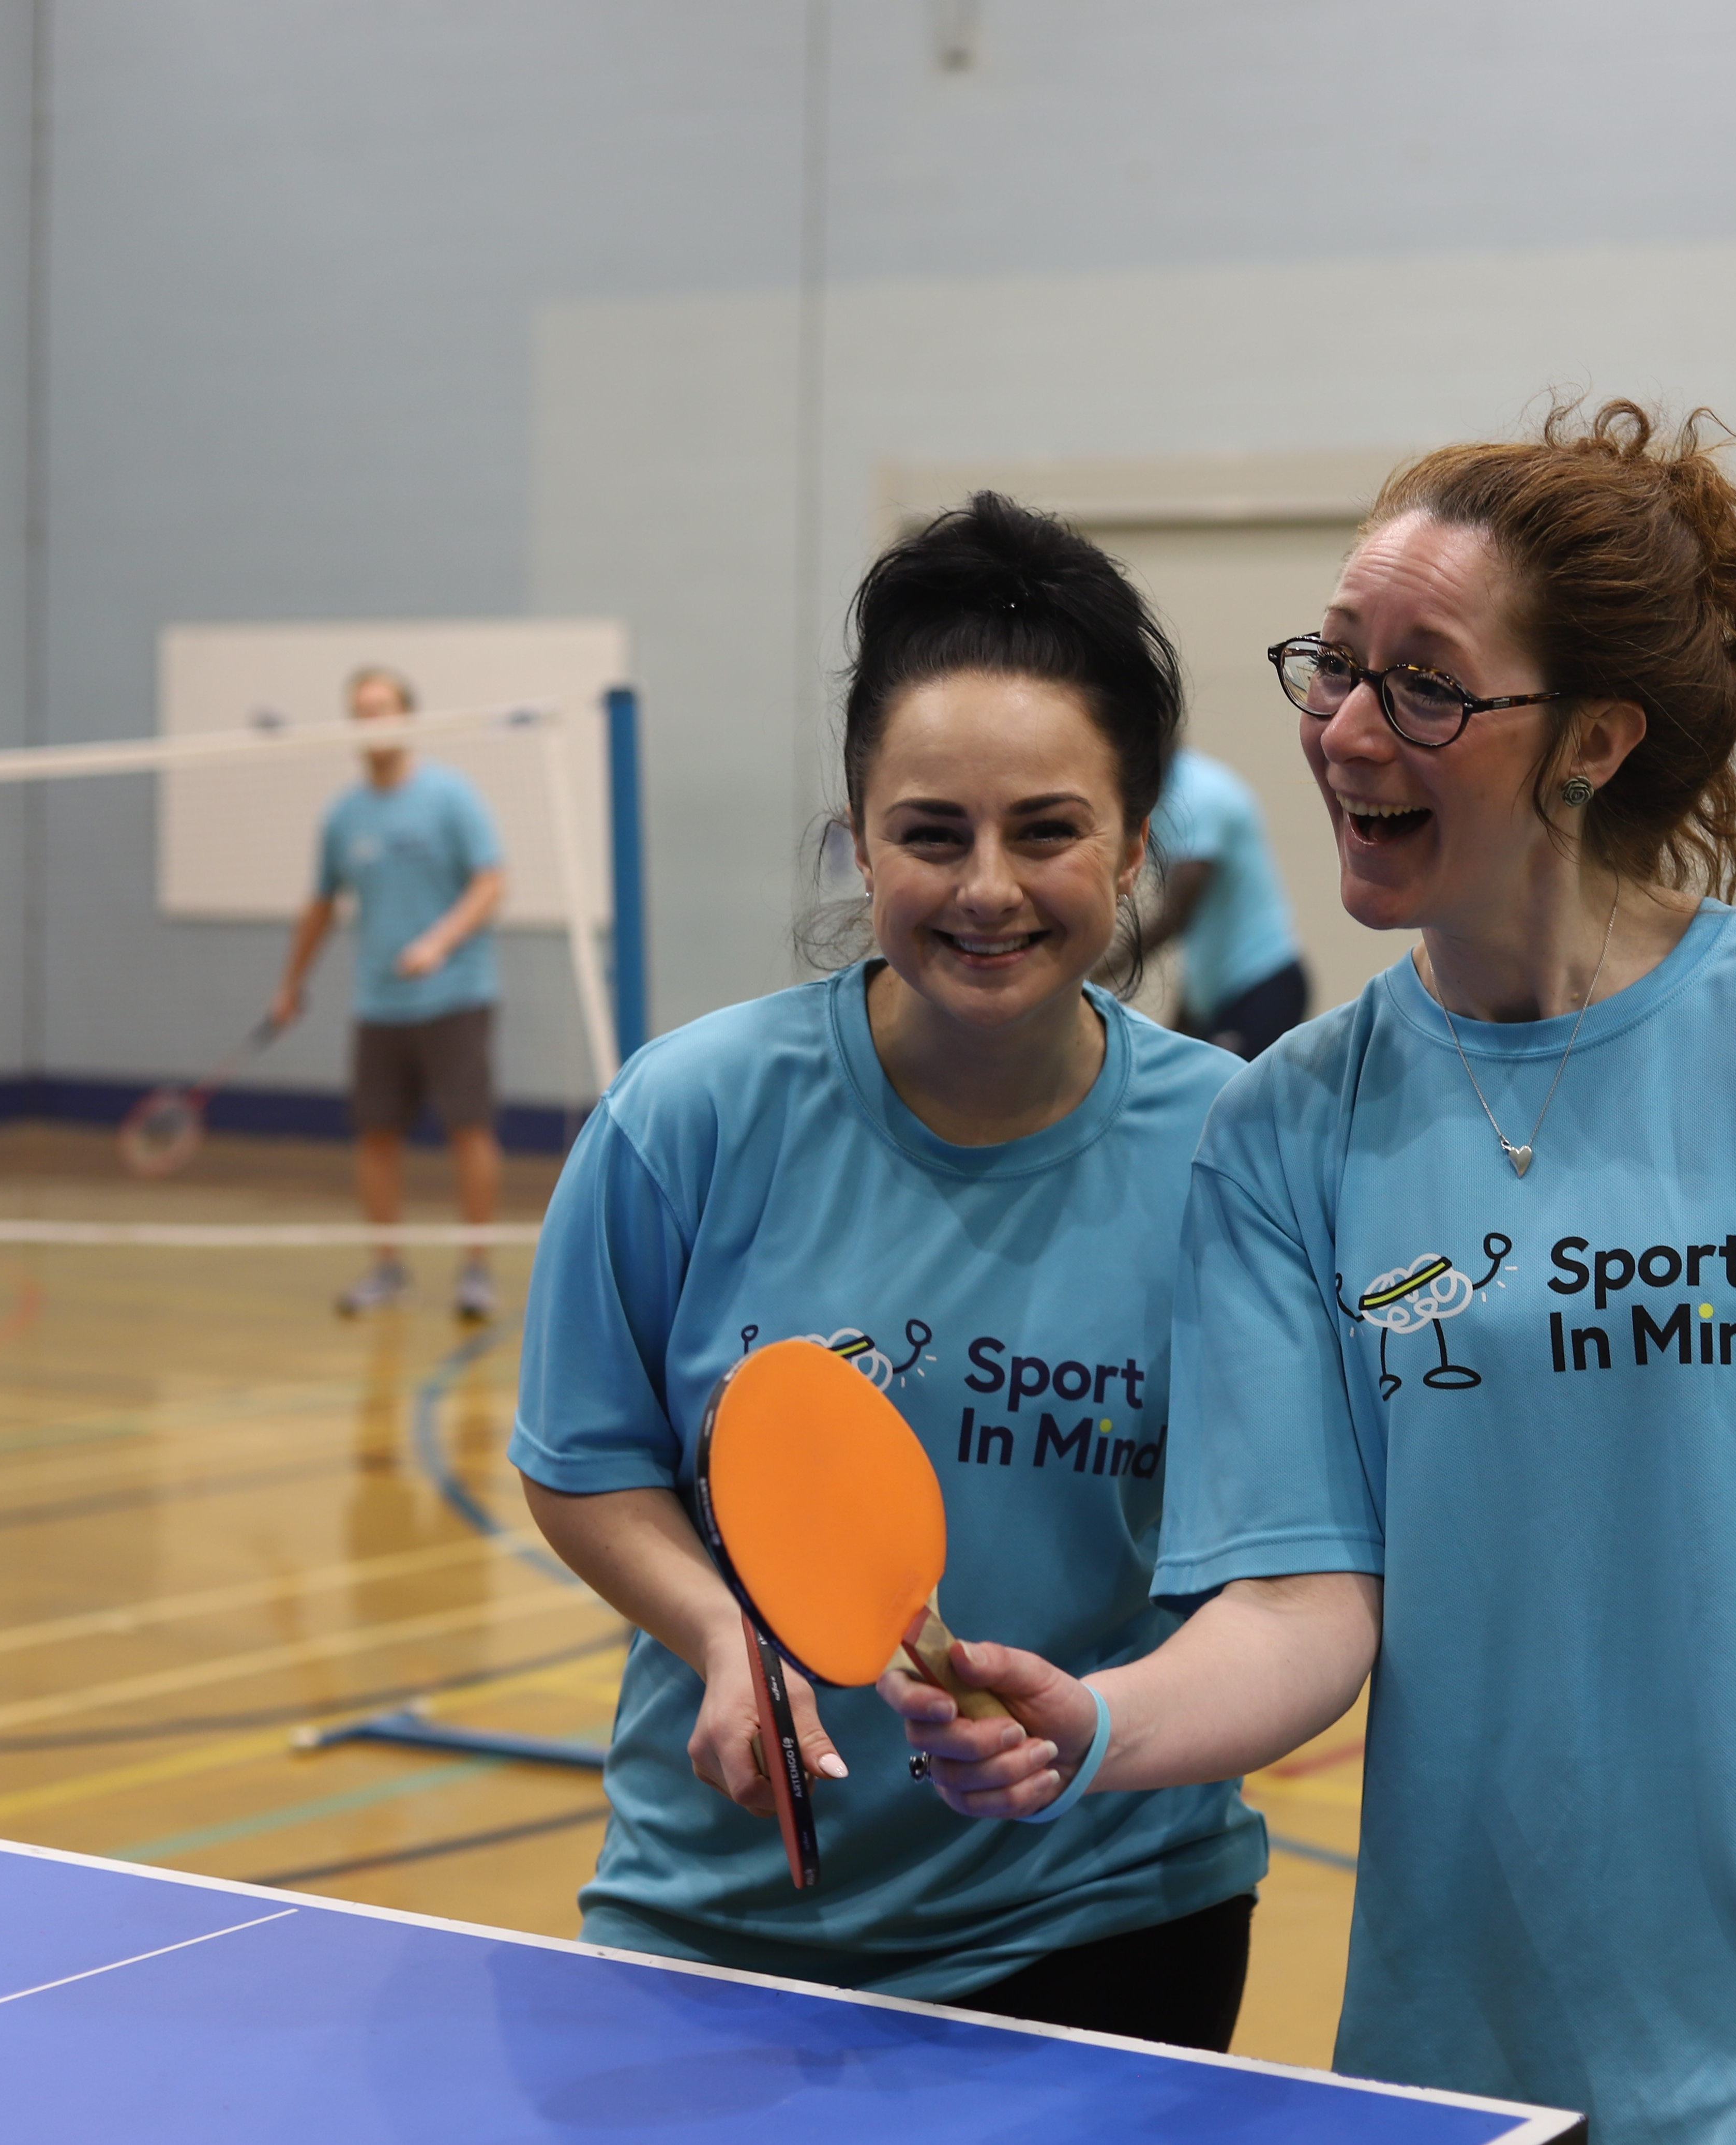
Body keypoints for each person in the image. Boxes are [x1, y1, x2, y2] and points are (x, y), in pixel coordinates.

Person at [884, 405, 1736, 2143]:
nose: (1340, 727)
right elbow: (1299, 1604)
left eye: (1421, 682)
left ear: (1590, 741)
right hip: (1467, 2052)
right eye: (1332, 664)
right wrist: (1092, 1720)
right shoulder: (1287, 1130)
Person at [505, 493, 1266, 2047]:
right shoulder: (689, 1116)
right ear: (861, 841)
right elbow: (584, 1464)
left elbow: (1282, 1569)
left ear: (1133, 844)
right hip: (720, 1912)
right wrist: (720, 1629)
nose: (987, 884)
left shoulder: (1235, 1151)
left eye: (1047, 827)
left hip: (1105, 1916)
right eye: (932, 832)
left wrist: (1105, 1725)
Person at [269, 665, 507, 1321]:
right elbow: (320, 904)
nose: (372, 720)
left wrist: (438, 942)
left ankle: (476, 1272)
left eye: (383, 707)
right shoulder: (343, 816)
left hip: (456, 995)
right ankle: (386, 1270)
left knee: (469, 1130)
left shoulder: (450, 797)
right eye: (361, 710)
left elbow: (491, 883)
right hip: (378, 1003)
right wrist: (291, 985)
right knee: (375, 1137)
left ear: (408, 716)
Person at [1138, 747, 1307, 1059]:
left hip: (1262, 985)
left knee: (1235, 1103)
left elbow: (1178, 913)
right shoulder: (1155, 799)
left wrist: (1098, 971)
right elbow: (1201, 931)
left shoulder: (1199, 793)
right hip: (1215, 995)